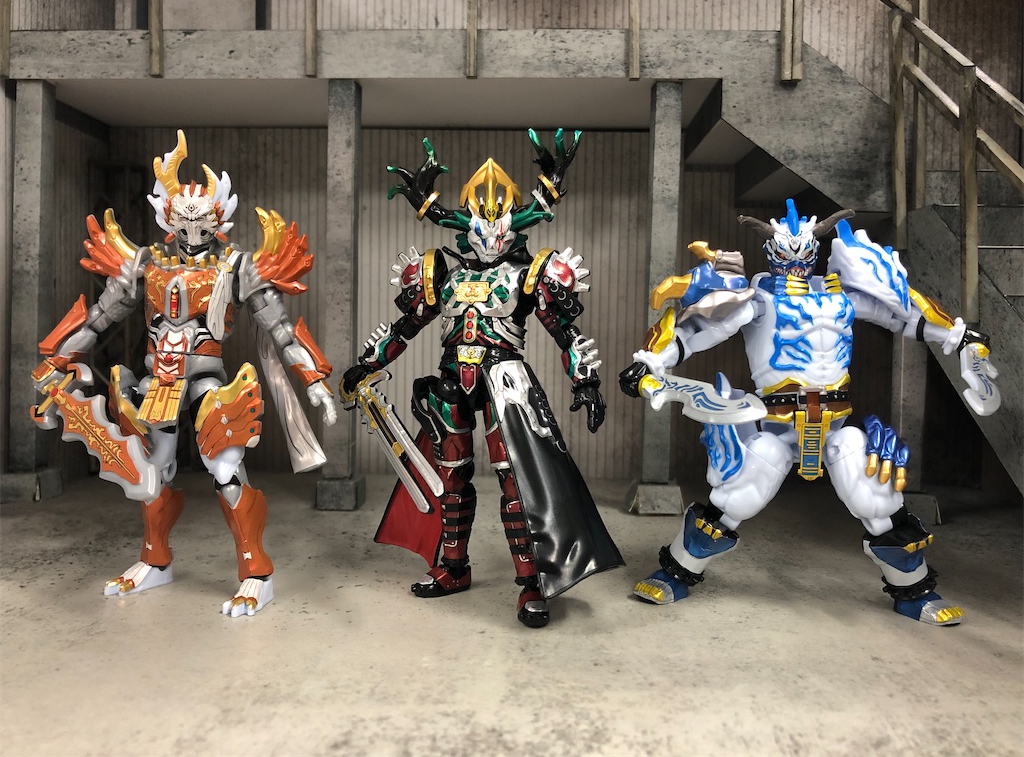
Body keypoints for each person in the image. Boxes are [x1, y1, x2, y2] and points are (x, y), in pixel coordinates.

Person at [619, 199, 1000, 625]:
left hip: (836, 423)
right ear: (772, 252)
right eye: (786, 251)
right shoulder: (758, 299)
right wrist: (650, 361)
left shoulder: (842, 298)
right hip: (778, 425)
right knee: (735, 498)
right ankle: (675, 573)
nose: (795, 261)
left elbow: (905, 317)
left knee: (876, 500)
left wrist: (959, 337)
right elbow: (697, 330)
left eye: (803, 251)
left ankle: (914, 593)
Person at [32, 130, 336, 617]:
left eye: (202, 220)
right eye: (183, 219)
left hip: (207, 381)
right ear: (167, 217)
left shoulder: (234, 267)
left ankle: (256, 573)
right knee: (153, 470)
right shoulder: (145, 264)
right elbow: (98, 319)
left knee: (226, 468)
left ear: (219, 218)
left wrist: (314, 379)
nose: (192, 229)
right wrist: (56, 360)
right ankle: (155, 560)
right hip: (159, 382)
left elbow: (280, 328)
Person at [342, 130, 622, 628]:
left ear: (513, 226)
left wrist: (586, 381)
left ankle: (532, 581)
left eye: (501, 225)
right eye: (481, 225)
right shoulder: (443, 273)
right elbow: (406, 326)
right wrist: (369, 363)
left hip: (504, 385)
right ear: (466, 226)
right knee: (451, 478)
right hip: (452, 383)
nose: (492, 237)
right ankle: (454, 566)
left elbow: (564, 330)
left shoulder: (529, 273)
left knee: (518, 484)